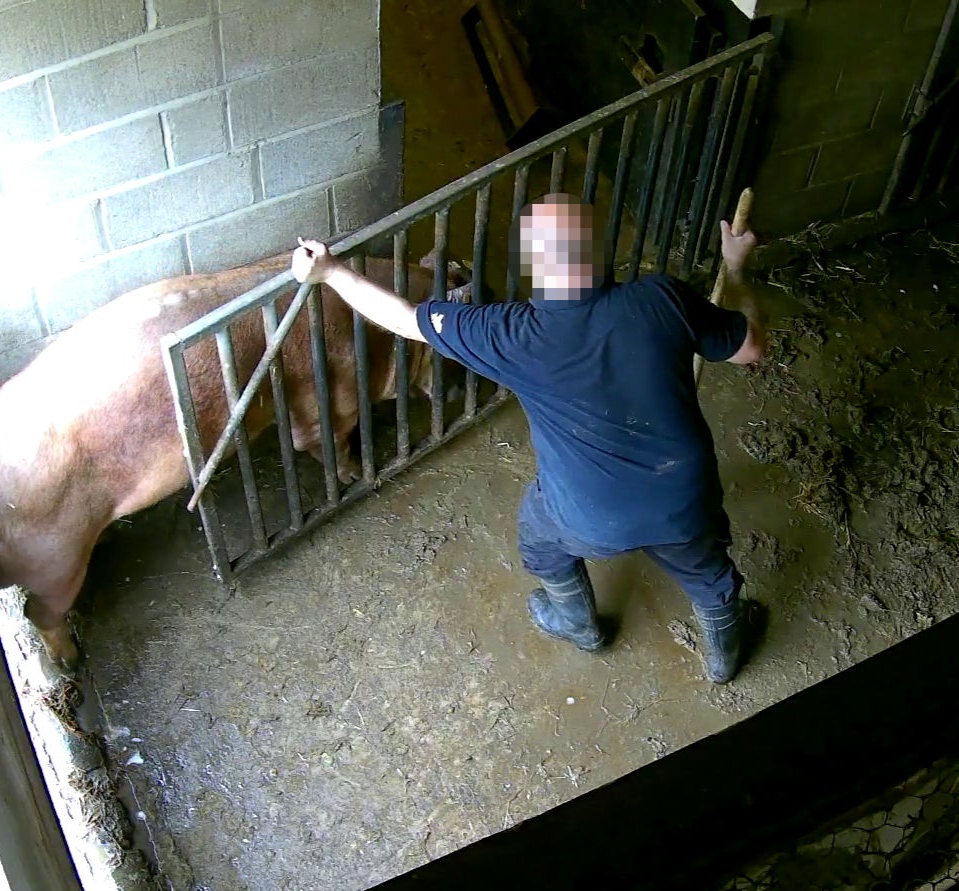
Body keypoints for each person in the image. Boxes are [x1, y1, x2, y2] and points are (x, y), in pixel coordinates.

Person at [289, 193, 766, 684]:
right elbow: (750, 348)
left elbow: (405, 320)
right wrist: (737, 271)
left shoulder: (507, 332)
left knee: (541, 545)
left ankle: (580, 626)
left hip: (586, 515)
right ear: (599, 251)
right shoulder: (662, 298)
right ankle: (723, 660)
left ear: (534, 265)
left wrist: (332, 273)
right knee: (708, 573)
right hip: (683, 500)